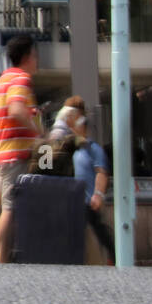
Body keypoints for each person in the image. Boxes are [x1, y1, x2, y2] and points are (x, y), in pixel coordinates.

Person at [0, 36, 40, 263]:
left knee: (11, 206)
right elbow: (17, 110)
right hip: (16, 155)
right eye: (36, 55)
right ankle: (4, 261)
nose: (37, 60)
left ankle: (8, 257)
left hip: (2, 155)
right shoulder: (21, 78)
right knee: (9, 208)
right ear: (28, 56)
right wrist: (40, 134)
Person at [58, 95, 114, 261]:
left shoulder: (93, 148)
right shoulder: (68, 147)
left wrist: (98, 194)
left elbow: (102, 173)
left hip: (87, 201)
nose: (70, 124)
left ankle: (115, 258)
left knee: (98, 232)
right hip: (72, 201)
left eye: (73, 118)